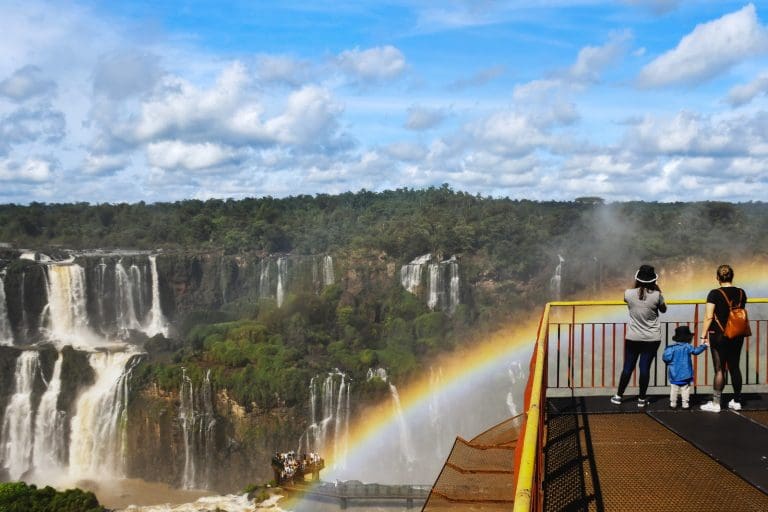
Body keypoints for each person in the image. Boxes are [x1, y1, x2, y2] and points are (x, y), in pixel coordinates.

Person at [611, 264, 667, 407]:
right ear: (653, 280)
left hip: (633, 337)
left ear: (638, 278)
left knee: (628, 367)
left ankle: (618, 396)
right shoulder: (657, 296)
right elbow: (664, 310)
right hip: (652, 338)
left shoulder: (628, 293)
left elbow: (629, 299)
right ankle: (642, 399)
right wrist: (657, 290)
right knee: (644, 368)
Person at [699, 264, 748, 412]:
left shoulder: (714, 293)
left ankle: (716, 403)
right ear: (732, 276)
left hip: (719, 335)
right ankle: (737, 401)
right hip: (737, 334)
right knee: (734, 367)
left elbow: (709, 316)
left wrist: (703, 336)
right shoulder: (741, 292)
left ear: (718, 278)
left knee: (719, 369)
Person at [662, 325, 707, 409]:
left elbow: (666, 358)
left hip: (674, 374)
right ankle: (685, 404)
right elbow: (696, 351)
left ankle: (673, 403)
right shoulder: (687, 346)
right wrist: (704, 346)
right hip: (686, 374)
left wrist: (670, 363)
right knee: (685, 389)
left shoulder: (671, 348)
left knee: (674, 389)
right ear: (688, 338)